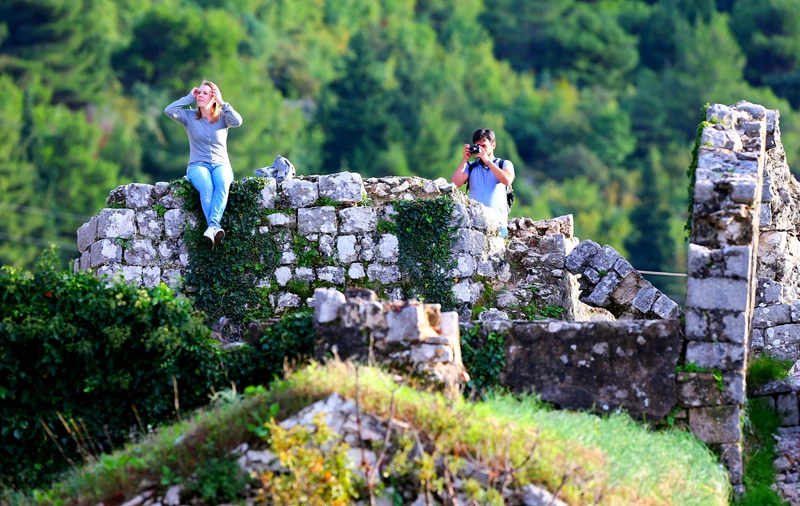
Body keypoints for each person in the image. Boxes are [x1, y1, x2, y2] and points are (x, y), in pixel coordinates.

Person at [164, 80, 243, 245]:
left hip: (221, 164)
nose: (200, 95)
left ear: (213, 97)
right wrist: (187, 98)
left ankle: (212, 226)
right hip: (197, 165)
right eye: (198, 92)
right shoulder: (189, 117)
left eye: (205, 93)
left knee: (222, 183)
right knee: (206, 185)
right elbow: (168, 110)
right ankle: (214, 226)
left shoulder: (223, 118)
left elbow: (238, 121)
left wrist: (223, 102)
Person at [451, 128, 516, 238]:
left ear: (493, 145)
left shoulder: (503, 164)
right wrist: (464, 160)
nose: (481, 150)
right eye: (477, 146)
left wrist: (487, 161)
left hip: (498, 226)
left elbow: (507, 180)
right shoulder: (471, 166)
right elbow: (455, 183)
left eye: (484, 146)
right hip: (474, 225)